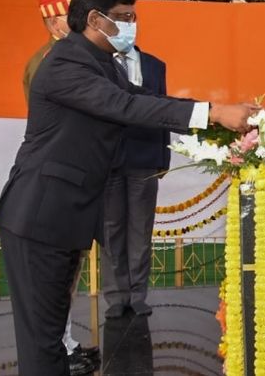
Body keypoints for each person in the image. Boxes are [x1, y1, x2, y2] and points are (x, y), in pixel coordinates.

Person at [0, 0, 256, 376]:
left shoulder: (98, 62)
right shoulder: (65, 62)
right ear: (95, 19)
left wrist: (215, 112)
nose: (132, 25)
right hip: (38, 218)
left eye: (133, 17)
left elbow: (146, 99)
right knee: (43, 345)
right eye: (124, 18)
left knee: (48, 340)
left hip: (63, 219)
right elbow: (125, 106)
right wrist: (214, 113)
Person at [16, 0, 103, 375]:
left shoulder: (60, 57)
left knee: (59, 284)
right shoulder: (56, 62)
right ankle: (62, 347)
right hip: (56, 187)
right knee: (51, 287)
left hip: (64, 185)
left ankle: (65, 344)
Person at [100, 27, 169, 319]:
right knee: (110, 229)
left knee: (141, 229)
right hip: (108, 159)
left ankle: (138, 295)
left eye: (131, 19)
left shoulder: (155, 65)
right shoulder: (98, 64)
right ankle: (116, 296)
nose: (126, 27)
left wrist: (164, 156)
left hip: (146, 157)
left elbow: (165, 110)